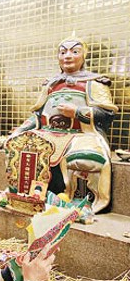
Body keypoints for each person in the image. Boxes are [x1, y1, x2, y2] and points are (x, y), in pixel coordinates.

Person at [8, 36, 118, 213]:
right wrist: (20, 130)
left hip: (80, 134)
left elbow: (107, 114)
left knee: (85, 158)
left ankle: (79, 200)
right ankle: (29, 196)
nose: (67, 56)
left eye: (74, 51)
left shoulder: (94, 83)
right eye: (63, 52)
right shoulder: (51, 84)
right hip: (47, 132)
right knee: (22, 146)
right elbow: (37, 115)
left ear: (84, 56)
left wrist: (77, 112)